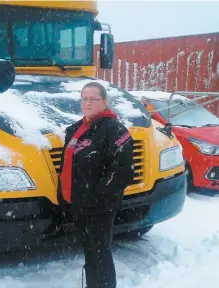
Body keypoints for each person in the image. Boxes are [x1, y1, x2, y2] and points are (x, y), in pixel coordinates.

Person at [56, 82, 134, 288]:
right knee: (89, 252)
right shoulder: (76, 129)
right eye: (84, 99)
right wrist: (63, 197)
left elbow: (122, 172)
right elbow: (66, 166)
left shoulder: (115, 130)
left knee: (101, 253)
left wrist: (96, 196)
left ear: (104, 102)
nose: (88, 103)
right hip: (78, 205)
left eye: (93, 99)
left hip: (100, 206)